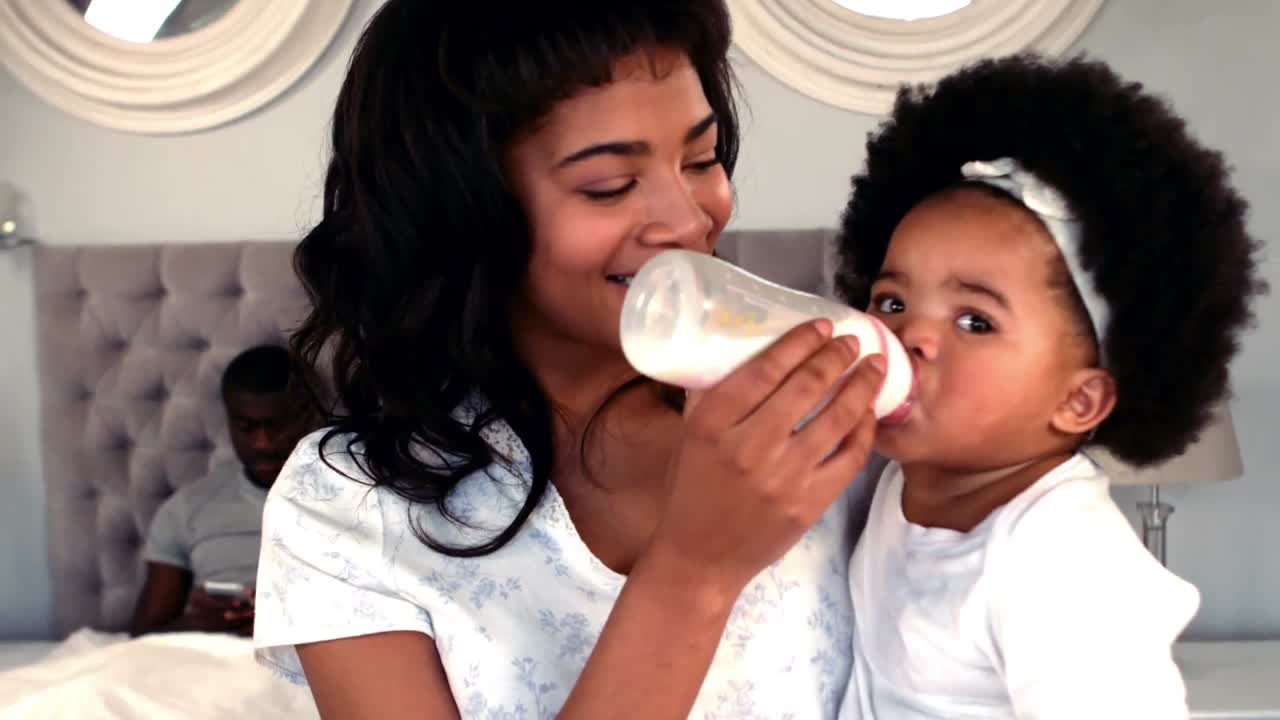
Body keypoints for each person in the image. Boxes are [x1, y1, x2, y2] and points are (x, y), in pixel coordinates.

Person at [251, 2, 889, 718]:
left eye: (702, 160)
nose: (687, 219)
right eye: (609, 185)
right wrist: (694, 571)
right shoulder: (346, 504)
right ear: (464, 210)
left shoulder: (820, 411)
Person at [832, 53, 1266, 719]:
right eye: (891, 301)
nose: (910, 334)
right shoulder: (896, 484)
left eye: (974, 320)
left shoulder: (1064, 560)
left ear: (1078, 401)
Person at [130, 344, 318, 637]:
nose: (263, 443)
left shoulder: (354, 503)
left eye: (278, 425)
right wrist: (200, 624)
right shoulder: (188, 508)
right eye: (247, 427)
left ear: (309, 416)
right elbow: (144, 637)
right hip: (215, 659)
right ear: (229, 420)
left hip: (309, 656)